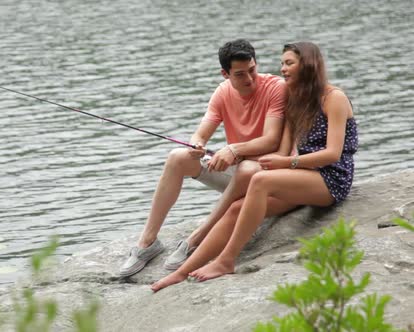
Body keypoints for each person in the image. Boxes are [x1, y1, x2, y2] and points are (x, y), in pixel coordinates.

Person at [150, 41, 358, 291]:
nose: (283, 69)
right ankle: (182, 272)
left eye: (289, 63)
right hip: (302, 178)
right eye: (282, 63)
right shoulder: (295, 100)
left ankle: (226, 261)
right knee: (238, 206)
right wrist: (268, 164)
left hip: (331, 180)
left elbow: (333, 154)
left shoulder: (334, 98)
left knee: (260, 181)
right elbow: (282, 150)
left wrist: (283, 163)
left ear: (309, 65)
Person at [119, 39, 287, 278]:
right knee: (178, 157)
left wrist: (233, 150)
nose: (249, 79)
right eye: (240, 74)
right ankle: (147, 243)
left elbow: (271, 140)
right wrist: (197, 144)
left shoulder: (275, 88)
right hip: (239, 174)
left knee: (247, 167)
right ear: (225, 74)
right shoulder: (222, 92)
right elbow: (201, 133)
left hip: (266, 177)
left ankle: (196, 239)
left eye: (252, 70)